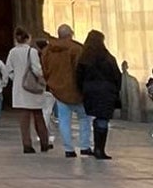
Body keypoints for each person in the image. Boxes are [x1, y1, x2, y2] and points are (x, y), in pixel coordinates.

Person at [41, 24, 91, 157]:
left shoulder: (48, 50)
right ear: (71, 34)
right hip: (77, 90)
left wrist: (51, 82)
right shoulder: (77, 49)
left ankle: (68, 149)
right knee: (84, 118)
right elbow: (83, 69)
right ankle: (85, 146)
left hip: (58, 90)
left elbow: (44, 69)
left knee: (64, 120)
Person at [5, 27, 52, 154]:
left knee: (24, 119)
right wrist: (42, 80)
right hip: (32, 88)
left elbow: (8, 69)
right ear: (28, 39)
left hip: (19, 89)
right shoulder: (31, 51)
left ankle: (27, 145)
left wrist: (17, 79)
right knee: (38, 116)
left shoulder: (12, 52)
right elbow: (36, 69)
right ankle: (44, 142)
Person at [76, 29, 122, 160]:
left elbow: (78, 77)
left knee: (97, 117)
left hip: (90, 91)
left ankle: (97, 148)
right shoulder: (108, 58)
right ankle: (99, 149)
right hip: (106, 91)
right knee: (102, 119)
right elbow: (117, 76)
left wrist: (83, 89)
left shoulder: (84, 58)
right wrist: (115, 90)